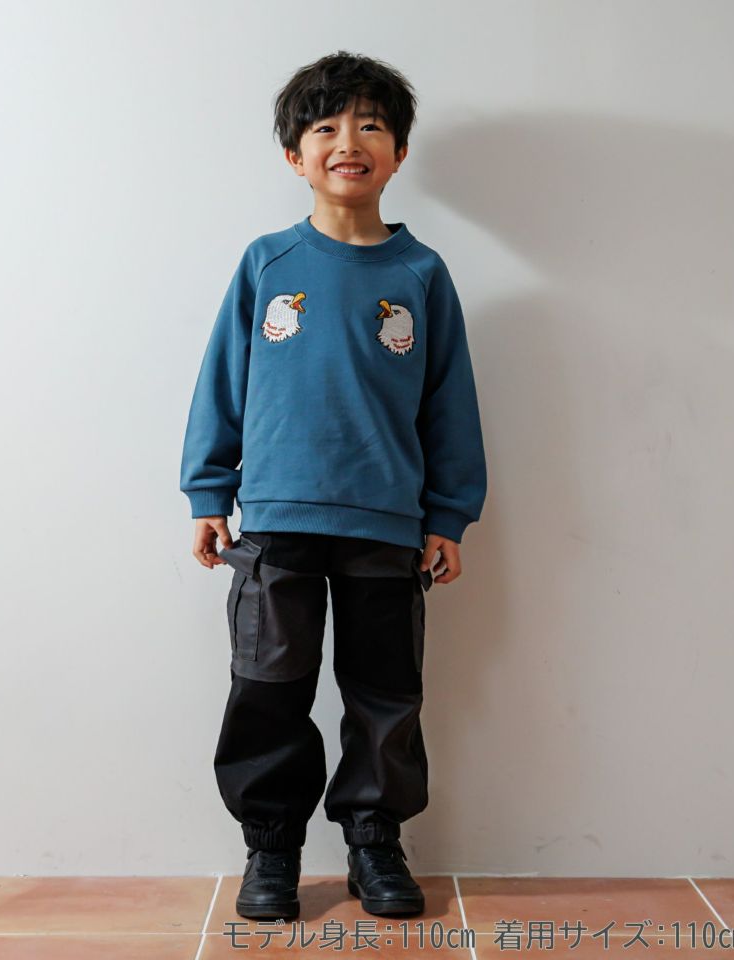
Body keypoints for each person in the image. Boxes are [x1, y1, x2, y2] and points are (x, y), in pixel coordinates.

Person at [179, 50, 487, 921]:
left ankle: (374, 841)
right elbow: (222, 382)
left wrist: (449, 515)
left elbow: (450, 404)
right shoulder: (267, 263)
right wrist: (208, 494)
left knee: (385, 693)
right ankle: (271, 849)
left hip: (388, 522)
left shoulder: (421, 276)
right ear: (295, 155)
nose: (349, 141)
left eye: (371, 125)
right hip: (276, 519)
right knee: (268, 688)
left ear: (398, 153)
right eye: (326, 127)